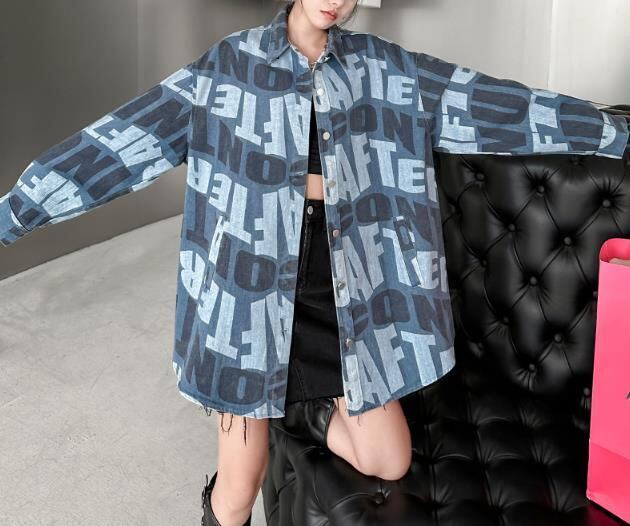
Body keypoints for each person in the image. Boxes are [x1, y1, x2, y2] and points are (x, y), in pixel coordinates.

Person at [1, 1, 628, 525]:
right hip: (251, 299)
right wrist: (13, 214)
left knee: (389, 460)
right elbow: (118, 144)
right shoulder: (230, 65)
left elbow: (498, 105)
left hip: (345, 290)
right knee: (239, 487)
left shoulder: (386, 69)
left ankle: (299, 406)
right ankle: (252, 430)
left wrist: (614, 132)